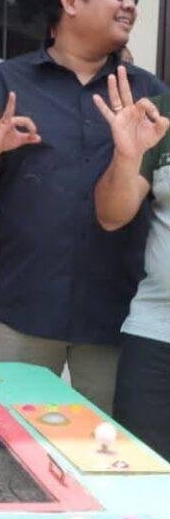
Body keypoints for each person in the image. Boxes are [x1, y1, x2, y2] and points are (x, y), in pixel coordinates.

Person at [0, 0, 165, 412]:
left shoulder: (148, 95)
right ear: (70, 0)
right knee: (18, 438)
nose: (129, 4)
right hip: (25, 306)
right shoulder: (7, 82)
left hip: (116, 309)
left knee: (106, 443)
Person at [94, 67, 170, 459]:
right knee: (142, 474)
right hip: (156, 333)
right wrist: (127, 156)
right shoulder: (157, 115)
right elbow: (111, 216)